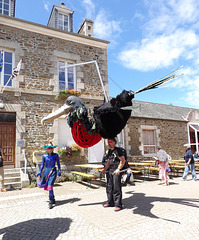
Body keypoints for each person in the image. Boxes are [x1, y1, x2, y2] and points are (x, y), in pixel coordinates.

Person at [101, 138, 125, 211]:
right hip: (110, 170)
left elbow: (123, 160)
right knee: (109, 187)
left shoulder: (118, 150)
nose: (109, 144)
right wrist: (104, 169)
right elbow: (108, 161)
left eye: (110, 142)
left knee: (116, 187)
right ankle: (110, 202)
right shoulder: (109, 152)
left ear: (114, 142)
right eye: (108, 142)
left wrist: (118, 169)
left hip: (116, 170)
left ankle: (118, 205)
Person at [37, 142, 61, 209]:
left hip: (53, 171)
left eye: (51, 148)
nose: (50, 150)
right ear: (46, 149)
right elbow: (42, 165)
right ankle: (52, 198)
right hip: (47, 171)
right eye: (48, 148)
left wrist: (59, 170)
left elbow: (58, 163)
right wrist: (40, 172)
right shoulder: (44, 156)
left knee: (50, 185)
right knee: (49, 186)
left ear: (53, 149)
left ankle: (50, 201)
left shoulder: (55, 155)